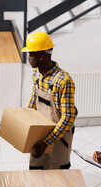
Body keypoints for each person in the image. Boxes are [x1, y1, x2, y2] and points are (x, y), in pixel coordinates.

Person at [21, 32, 77, 170]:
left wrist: (47, 142)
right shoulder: (37, 74)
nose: (28, 57)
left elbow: (68, 117)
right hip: (40, 134)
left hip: (59, 138)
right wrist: (24, 124)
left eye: (31, 54)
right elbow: (33, 101)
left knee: (57, 178)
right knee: (36, 172)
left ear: (41, 56)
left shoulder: (63, 81)